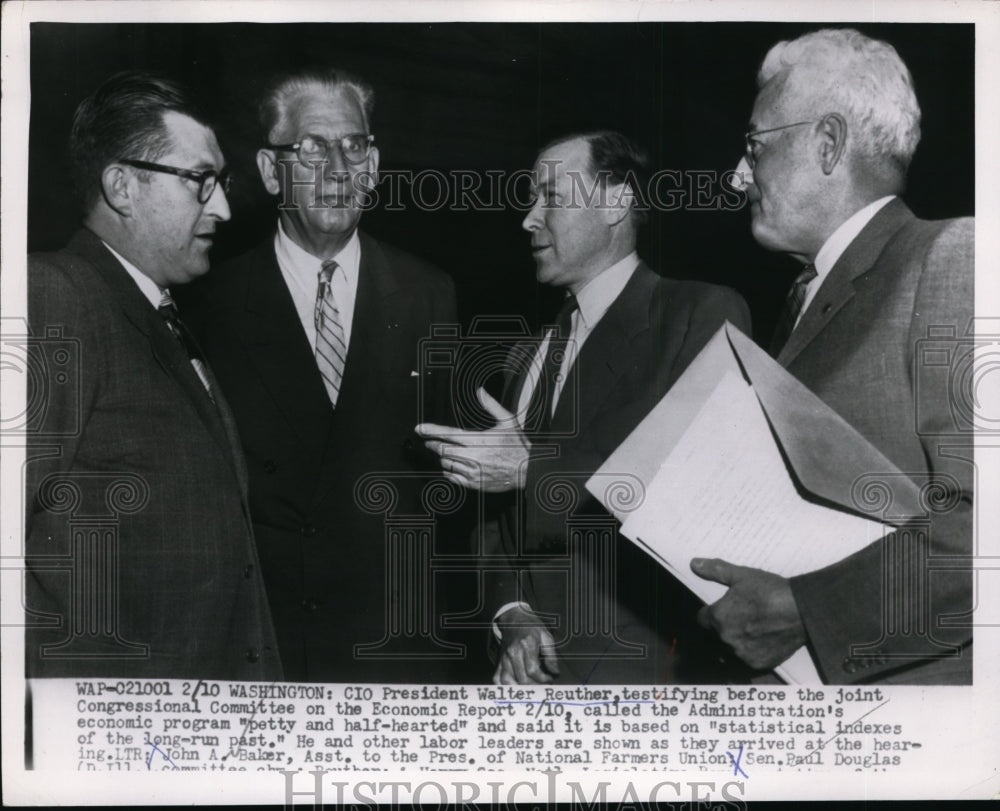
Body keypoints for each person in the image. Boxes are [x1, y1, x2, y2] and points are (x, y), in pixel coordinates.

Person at [418, 131, 751, 684]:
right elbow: (491, 522)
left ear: (616, 201)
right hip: (523, 680)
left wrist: (528, 470)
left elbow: (687, 485)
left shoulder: (699, 314)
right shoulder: (527, 354)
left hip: (642, 676)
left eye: (550, 195)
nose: (528, 219)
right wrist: (511, 614)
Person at [694, 28, 973, 684]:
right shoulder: (798, 304)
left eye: (754, 148)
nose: (738, 177)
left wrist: (808, 610)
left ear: (827, 143)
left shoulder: (953, 257)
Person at [184, 67, 457, 683]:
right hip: (268, 653)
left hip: (396, 657)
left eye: (353, 145)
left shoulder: (430, 295)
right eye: (311, 147)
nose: (337, 168)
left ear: (374, 163)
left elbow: (450, 501)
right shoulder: (209, 302)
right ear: (270, 169)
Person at [24, 71, 281, 680]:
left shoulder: (158, 312)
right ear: (122, 186)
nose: (221, 206)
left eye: (220, 182)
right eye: (199, 181)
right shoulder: (54, 294)